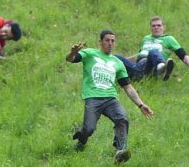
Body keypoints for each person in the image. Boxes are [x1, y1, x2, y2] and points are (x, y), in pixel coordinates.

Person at [66, 30, 154, 163]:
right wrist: (73, 52)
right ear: (100, 41)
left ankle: (120, 151)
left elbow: (128, 87)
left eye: (113, 41)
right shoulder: (90, 53)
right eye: (107, 40)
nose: (110, 43)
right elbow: (70, 59)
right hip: (93, 98)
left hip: (110, 99)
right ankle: (82, 140)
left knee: (122, 119)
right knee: (89, 129)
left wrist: (141, 104)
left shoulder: (117, 62)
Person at [116, 16, 189, 81]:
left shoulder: (169, 39)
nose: (156, 27)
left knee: (153, 51)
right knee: (115, 57)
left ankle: (161, 68)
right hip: (137, 68)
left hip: (150, 68)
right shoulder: (146, 38)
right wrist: (123, 61)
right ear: (150, 27)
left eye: (159, 25)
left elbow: (182, 55)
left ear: (164, 27)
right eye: (153, 26)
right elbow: (140, 55)